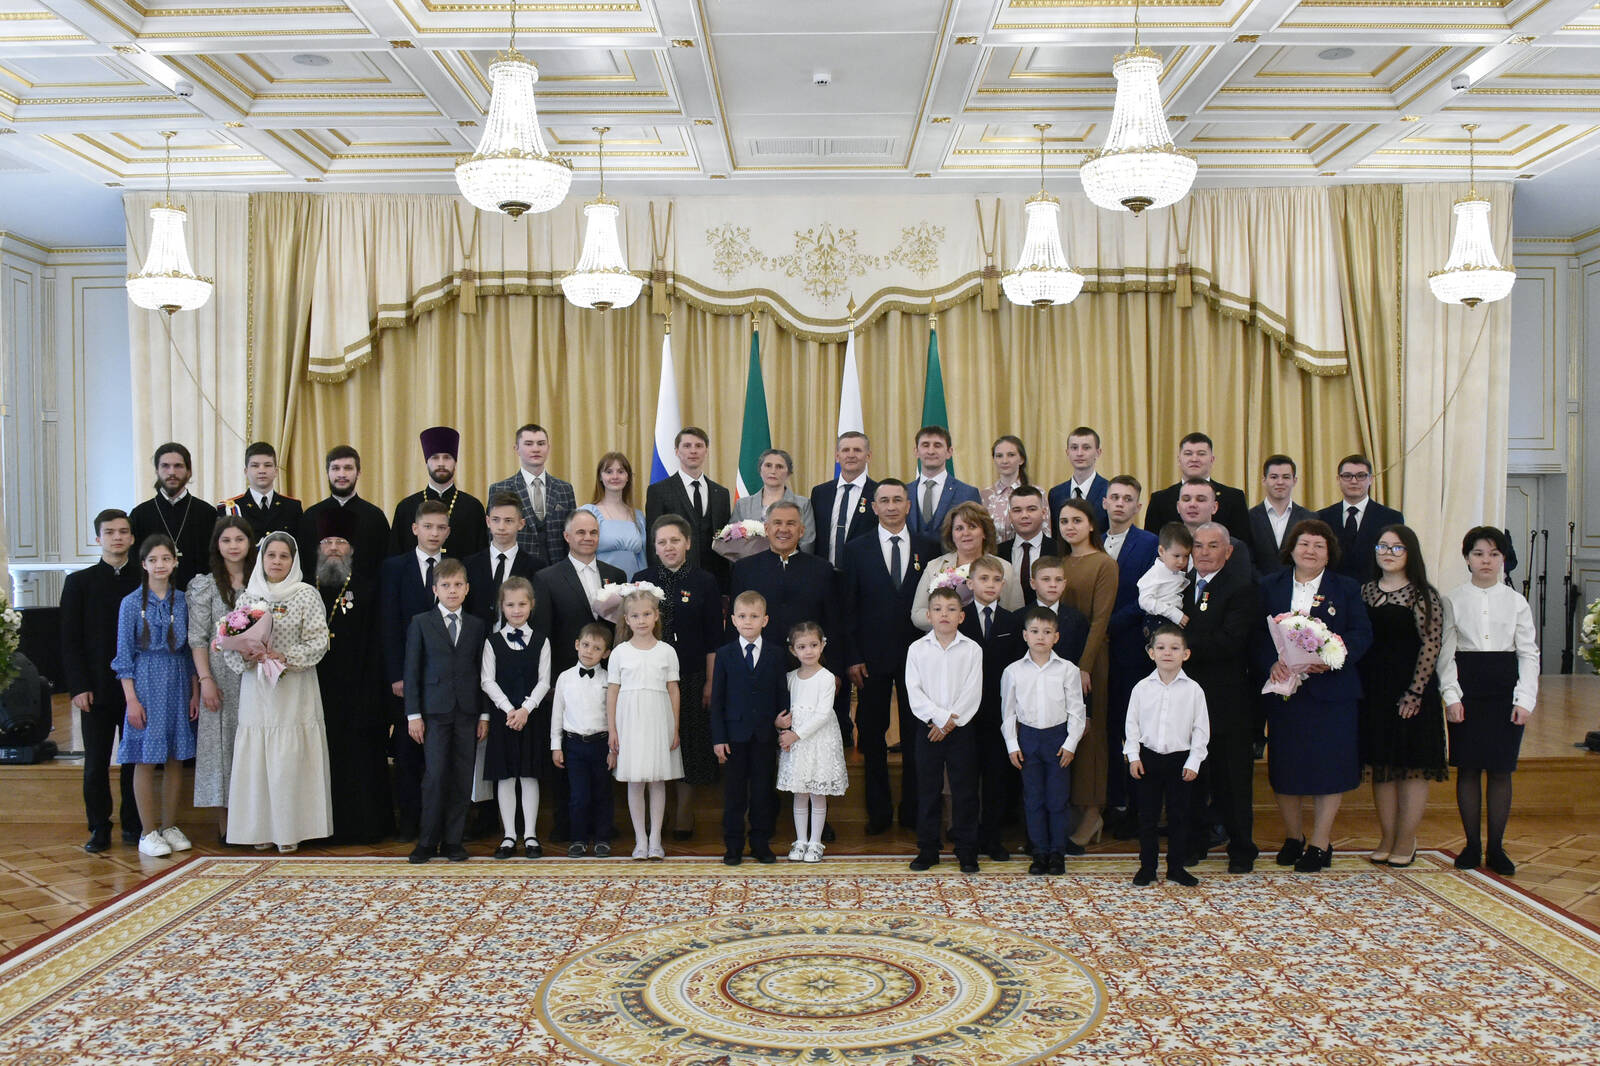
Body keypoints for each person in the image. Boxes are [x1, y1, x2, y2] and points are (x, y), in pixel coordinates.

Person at [1256, 519, 1374, 873]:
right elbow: (1254, 634)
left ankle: (1321, 842)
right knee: (1286, 766)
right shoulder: (1269, 585)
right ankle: (1294, 837)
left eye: (1319, 546)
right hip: (1285, 692)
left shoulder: (1346, 587)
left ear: (1329, 553)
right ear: (1291, 549)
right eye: (1304, 544)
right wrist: (1271, 662)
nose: (1310, 551)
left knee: (1329, 767)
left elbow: (1362, 633)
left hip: (1331, 693)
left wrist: (1332, 656)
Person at [224, 533, 334, 853]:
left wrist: (286, 657)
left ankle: (290, 830)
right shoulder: (248, 597)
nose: (276, 561)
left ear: (293, 560)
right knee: (258, 759)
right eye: (271, 555)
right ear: (261, 559)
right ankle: (259, 829)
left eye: (284, 556)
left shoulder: (306, 594)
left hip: (294, 689)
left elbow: (319, 641)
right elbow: (231, 646)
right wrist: (248, 654)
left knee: (289, 758)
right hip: (257, 690)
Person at [1438, 526, 1539, 877]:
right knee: (1468, 768)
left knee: (1500, 769)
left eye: (1494, 554)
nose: (1486, 561)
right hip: (1468, 686)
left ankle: (1496, 847)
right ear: (1467, 558)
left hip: (1504, 687)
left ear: (1504, 559)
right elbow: (1446, 654)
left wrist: (1525, 699)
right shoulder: (1452, 599)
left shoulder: (1516, 602)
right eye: (1479, 553)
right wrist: (1451, 695)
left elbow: (1528, 653)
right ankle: (1471, 845)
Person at [840, 479, 939, 835]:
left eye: (898, 499)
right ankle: (878, 812)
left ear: (908, 505)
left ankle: (913, 811)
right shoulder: (856, 549)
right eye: (885, 500)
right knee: (872, 734)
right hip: (870, 658)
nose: (892, 506)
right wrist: (852, 656)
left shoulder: (929, 547)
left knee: (916, 735)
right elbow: (848, 606)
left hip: (919, 657)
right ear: (875, 507)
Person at [534, 509, 627, 841]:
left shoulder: (616, 575)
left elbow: (622, 630)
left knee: (603, 756)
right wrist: (547, 681)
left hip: (607, 679)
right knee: (567, 758)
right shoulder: (547, 578)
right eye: (581, 532)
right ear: (567, 536)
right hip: (566, 678)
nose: (588, 538)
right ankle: (565, 824)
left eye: (593, 532)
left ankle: (603, 825)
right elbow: (543, 634)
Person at [1360, 524, 1446, 869]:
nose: (1388, 553)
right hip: (1374, 690)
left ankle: (1407, 839)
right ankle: (1387, 836)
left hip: (1411, 690)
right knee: (1382, 766)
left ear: (1410, 553)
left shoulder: (1422, 594)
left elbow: (1431, 645)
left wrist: (1415, 692)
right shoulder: (1366, 590)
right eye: (1382, 546)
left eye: (1397, 548)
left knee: (1411, 768)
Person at [634, 515, 722, 840]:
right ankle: (655, 812)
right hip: (649, 679)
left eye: (675, 540)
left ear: (687, 543)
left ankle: (684, 812)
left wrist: (711, 681)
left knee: (688, 742)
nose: (669, 547)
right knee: (653, 742)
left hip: (692, 676)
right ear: (654, 547)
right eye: (662, 542)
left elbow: (714, 638)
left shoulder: (705, 581)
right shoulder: (642, 581)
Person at [1179, 523, 1261, 873]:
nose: (1204, 552)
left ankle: (1242, 849)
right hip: (1185, 698)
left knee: (1232, 779)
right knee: (1192, 774)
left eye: (1213, 546)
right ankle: (1193, 844)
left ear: (1228, 552)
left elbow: (1230, 641)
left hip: (1228, 700)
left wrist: (1179, 646)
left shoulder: (1242, 589)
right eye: (1198, 545)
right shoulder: (1180, 586)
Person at [111, 535, 198, 858]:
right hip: (146, 682)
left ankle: (170, 825)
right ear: (144, 564)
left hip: (178, 680)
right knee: (146, 758)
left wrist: (194, 692)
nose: (160, 565)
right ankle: (148, 831)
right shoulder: (131, 603)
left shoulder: (183, 601)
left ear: (175, 562)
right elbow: (124, 655)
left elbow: (190, 651)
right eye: (153, 560)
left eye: (166, 559)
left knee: (176, 757)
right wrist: (131, 700)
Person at [61, 509, 142, 852]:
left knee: (134, 761)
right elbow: (69, 639)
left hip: (136, 688)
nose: (117, 537)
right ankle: (99, 826)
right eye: (110, 532)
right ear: (98, 538)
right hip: (95, 687)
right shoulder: (79, 582)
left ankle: (134, 824)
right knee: (95, 762)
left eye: (123, 531)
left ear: (132, 538)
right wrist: (78, 686)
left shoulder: (143, 578)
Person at [311, 507, 393, 844]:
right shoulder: (306, 588)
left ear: (352, 549)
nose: (333, 548)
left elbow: (378, 643)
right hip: (317, 689)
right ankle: (321, 828)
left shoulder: (368, 588)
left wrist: (373, 692)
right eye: (327, 542)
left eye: (340, 542)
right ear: (319, 548)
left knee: (361, 759)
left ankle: (367, 828)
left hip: (360, 689)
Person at [404, 558, 487, 863]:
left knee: (462, 777)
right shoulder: (421, 622)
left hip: (467, 711)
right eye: (446, 585)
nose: (452, 590)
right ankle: (427, 841)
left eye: (458, 585)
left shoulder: (477, 625)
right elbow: (412, 670)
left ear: (467, 589)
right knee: (436, 775)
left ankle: (453, 841)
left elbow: (483, 672)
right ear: (435, 589)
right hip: (434, 712)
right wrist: (413, 714)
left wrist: (484, 715)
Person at [380, 499, 453, 839]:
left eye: (440, 527)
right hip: (406, 678)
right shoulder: (394, 567)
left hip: (444, 679)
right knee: (408, 751)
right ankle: (410, 823)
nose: (434, 533)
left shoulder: (455, 569)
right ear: (415, 529)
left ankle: (440, 824)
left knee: (441, 753)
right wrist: (397, 675)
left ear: (448, 531)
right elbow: (388, 624)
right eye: (428, 527)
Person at [1001, 606, 1086, 875]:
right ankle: (1038, 852)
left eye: (1047, 632)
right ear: (1025, 635)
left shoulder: (1068, 670)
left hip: (1057, 739)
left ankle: (1057, 853)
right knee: (1033, 798)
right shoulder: (1013, 671)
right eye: (1035, 631)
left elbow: (1077, 711)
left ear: (1056, 637)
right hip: (1028, 738)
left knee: (1057, 799)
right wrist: (1012, 744)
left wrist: (1070, 744)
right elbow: (1008, 712)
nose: (1041, 637)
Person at [905, 586, 983, 874]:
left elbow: (972, 692)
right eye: (937, 609)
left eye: (951, 609)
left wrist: (949, 723)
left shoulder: (972, 649)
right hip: (928, 728)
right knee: (928, 789)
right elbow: (914, 691)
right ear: (928, 615)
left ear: (961, 616)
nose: (944, 614)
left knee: (965, 790)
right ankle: (928, 848)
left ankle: (966, 850)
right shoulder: (917, 649)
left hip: (960, 729)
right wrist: (938, 719)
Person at [187, 516, 256, 842]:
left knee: (253, 745)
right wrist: (205, 680)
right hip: (218, 676)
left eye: (239, 539)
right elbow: (197, 638)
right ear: (217, 544)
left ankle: (256, 820)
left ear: (250, 543)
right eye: (226, 540)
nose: (233, 546)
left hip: (256, 675)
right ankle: (226, 823)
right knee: (222, 747)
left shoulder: (261, 581)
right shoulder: (206, 585)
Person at [1056, 497, 1119, 848]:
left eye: (1077, 520)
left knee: (1091, 735)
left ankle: (1094, 812)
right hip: (1059, 661)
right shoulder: (1062, 562)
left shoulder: (1104, 564)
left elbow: (1100, 620)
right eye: (1064, 521)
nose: (1070, 527)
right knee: (1066, 734)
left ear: (1092, 524)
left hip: (1090, 662)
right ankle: (1073, 812)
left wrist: (1084, 665)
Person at [1125, 624, 1210, 887]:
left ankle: (1176, 867)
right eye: (1161, 648)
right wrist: (1133, 756)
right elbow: (1131, 725)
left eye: (1174, 648)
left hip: (1180, 760)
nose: (1167, 653)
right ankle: (1147, 867)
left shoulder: (1194, 690)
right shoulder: (1141, 688)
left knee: (1179, 816)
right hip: (1148, 759)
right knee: (1147, 817)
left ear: (1186, 654)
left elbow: (1201, 729)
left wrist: (1194, 761)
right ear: (1151, 653)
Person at [709, 590, 785, 866]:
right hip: (734, 736)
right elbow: (717, 700)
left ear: (765, 620)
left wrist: (782, 727)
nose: (748, 621)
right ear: (732, 620)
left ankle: (761, 843)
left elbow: (781, 694)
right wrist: (719, 738)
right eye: (742, 616)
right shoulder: (724, 654)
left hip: (765, 735)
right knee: (735, 794)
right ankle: (733, 845)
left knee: (763, 792)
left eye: (754, 616)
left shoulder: (776, 654)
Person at [1101, 475, 1158, 836]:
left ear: (1137, 506)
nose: (1120, 503)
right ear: (1104, 502)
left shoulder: (1150, 544)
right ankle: (1111, 802)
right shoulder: (1091, 539)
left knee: (1133, 729)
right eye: (1115, 497)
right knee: (1104, 730)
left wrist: (1108, 625)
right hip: (1096, 652)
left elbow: (1147, 597)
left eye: (1127, 499)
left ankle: (1139, 809)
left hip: (1130, 648)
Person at [607, 588, 683, 861]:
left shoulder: (667, 651)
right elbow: (613, 691)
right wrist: (612, 729)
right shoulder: (620, 652)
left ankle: (655, 840)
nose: (641, 620)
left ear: (656, 616)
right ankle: (640, 839)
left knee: (657, 779)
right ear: (627, 620)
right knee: (636, 780)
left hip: (658, 718)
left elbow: (673, 690)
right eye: (636, 616)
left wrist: (674, 727)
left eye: (647, 614)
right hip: (629, 720)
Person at [480, 576, 552, 860]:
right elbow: (487, 680)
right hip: (504, 718)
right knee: (506, 776)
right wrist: (509, 709)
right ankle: (509, 834)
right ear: (502, 606)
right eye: (510, 605)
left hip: (531, 717)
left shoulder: (542, 641)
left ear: (531, 605)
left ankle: (530, 834)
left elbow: (545, 681)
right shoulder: (492, 642)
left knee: (529, 775)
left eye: (522, 604)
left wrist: (525, 709)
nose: (516, 610)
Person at [959, 555, 1024, 861]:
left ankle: (993, 838)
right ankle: (968, 840)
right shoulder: (960, 619)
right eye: (983, 579)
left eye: (996, 580)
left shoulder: (1012, 622)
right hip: (966, 714)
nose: (990, 585)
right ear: (970, 583)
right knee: (967, 780)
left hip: (1000, 713)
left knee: (997, 779)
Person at [777, 621, 847, 863]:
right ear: (793, 650)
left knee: (817, 792)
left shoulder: (826, 678)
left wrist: (796, 735)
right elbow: (783, 710)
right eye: (802, 646)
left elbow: (822, 714)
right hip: (797, 743)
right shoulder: (790, 678)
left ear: (822, 645)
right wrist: (780, 725)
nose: (808, 651)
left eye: (813, 645)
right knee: (800, 792)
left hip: (818, 740)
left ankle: (816, 842)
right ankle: (800, 841)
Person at [729, 500, 838, 651]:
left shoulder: (822, 570)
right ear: (767, 529)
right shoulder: (744, 569)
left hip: (808, 660)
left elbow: (833, 623)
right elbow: (734, 625)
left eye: (791, 523)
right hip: (760, 659)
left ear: (801, 531)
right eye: (777, 523)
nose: (784, 529)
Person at [551, 623, 615, 857]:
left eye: (597, 648)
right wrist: (556, 746)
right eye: (586, 645)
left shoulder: (609, 680)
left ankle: (602, 839)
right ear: (577, 644)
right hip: (574, 746)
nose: (589, 651)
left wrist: (613, 750)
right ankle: (578, 839)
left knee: (602, 794)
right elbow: (557, 713)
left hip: (601, 745)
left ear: (606, 653)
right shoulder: (565, 678)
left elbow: (614, 716)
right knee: (578, 796)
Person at [645, 426, 733, 591]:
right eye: (687, 446)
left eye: (699, 446)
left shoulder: (721, 493)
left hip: (714, 582)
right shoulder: (659, 491)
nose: (693, 451)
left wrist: (725, 588)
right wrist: (661, 583)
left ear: (706, 451)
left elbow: (725, 541)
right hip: (673, 581)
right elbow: (653, 541)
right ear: (677, 451)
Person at [911, 501, 1023, 629]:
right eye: (959, 528)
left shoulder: (1005, 568)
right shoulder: (934, 567)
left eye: (972, 527)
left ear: (984, 532)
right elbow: (917, 614)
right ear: (952, 534)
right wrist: (948, 617)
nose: (966, 533)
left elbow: (1017, 613)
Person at [486, 423, 576, 571]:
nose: (536, 449)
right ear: (516, 449)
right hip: (516, 569)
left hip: (557, 569)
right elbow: (492, 536)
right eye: (528, 444)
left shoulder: (564, 489)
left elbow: (572, 534)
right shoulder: (499, 489)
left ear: (548, 448)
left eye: (541, 443)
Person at [391, 425, 488, 559]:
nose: (441, 463)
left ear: (455, 462)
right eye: (435, 458)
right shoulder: (406, 508)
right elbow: (395, 559)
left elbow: (482, 559)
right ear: (427, 462)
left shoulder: (473, 507)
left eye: (447, 457)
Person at [299, 445, 390, 582]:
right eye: (335, 468)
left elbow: (384, 565)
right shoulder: (311, 516)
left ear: (358, 473)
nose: (341, 474)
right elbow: (304, 564)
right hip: (317, 593)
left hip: (366, 594)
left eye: (348, 468)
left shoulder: (375, 517)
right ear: (327, 472)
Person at [130, 443, 215, 588]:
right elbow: (134, 562)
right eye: (165, 466)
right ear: (157, 471)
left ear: (189, 472)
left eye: (178, 466)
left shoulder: (207, 513)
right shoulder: (140, 514)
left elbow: (214, 562)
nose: (171, 472)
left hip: (199, 596)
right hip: (152, 595)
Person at [1144, 432, 1250, 539]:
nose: (1194, 459)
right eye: (1188, 454)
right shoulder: (1160, 499)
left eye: (1201, 454)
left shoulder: (1233, 497)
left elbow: (1242, 542)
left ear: (1212, 459)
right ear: (1179, 459)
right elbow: (1151, 543)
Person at [1317, 454, 1405, 581]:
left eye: (1361, 475)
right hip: (1332, 588)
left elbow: (1397, 559)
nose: (1354, 481)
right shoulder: (1321, 517)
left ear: (1371, 479)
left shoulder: (1391, 518)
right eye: (1347, 476)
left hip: (1375, 589)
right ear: (1338, 479)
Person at [464, 493, 540, 627]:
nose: (501, 527)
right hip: (477, 638)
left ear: (521, 524)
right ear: (488, 522)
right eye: (496, 520)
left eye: (508, 521)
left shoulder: (537, 568)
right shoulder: (468, 565)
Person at [809, 431, 876, 567]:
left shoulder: (878, 493)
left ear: (868, 456)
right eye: (845, 450)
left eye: (857, 450)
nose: (851, 455)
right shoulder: (820, 492)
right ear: (837, 456)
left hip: (863, 572)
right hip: (824, 571)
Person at [731, 448, 816, 552]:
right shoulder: (742, 505)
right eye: (768, 465)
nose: (773, 471)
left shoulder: (803, 504)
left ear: (788, 473)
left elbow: (807, 542)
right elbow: (732, 539)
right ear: (760, 470)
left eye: (779, 467)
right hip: (749, 561)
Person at [906, 425, 981, 542]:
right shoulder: (904, 493)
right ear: (916, 451)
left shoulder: (968, 493)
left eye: (937, 445)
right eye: (925, 445)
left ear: (949, 452)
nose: (931, 451)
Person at [580, 451, 648, 576]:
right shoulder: (588, 513)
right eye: (609, 472)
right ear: (600, 477)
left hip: (633, 583)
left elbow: (643, 559)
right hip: (599, 582)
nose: (615, 476)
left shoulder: (638, 517)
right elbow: (580, 553)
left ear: (628, 477)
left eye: (621, 471)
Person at [219, 441, 302, 544]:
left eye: (267, 465)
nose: (262, 470)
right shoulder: (231, 508)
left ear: (276, 471)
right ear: (246, 471)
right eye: (255, 465)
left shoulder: (292, 507)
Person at [1247, 454, 1312, 577]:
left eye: (1286, 477)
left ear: (1294, 481)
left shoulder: (1309, 518)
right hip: (1257, 586)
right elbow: (1246, 560)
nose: (1280, 482)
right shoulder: (1248, 518)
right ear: (1264, 481)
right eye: (1274, 477)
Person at [1174, 479, 1255, 574]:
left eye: (1200, 499)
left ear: (1214, 507)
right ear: (1178, 507)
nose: (1192, 504)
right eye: (1186, 499)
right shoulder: (1164, 544)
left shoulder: (1233, 547)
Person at [998, 485, 1058, 606]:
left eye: (1031, 509)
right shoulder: (997, 552)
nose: (1024, 515)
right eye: (1017, 510)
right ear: (1010, 516)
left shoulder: (1059, 549)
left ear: (1043, 513)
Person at [1047, 426, 1109, 533]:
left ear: (1098, 452)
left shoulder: (1109, 491)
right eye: (1074, 448)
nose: (1079, 453)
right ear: (1067, 452)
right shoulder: (1055, 494)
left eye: (1086, 448)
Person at [1029, 558, 1090, 664]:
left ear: (1064, 584)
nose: (1053, 585)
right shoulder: (1018, 618)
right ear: (1033, 583)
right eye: (1046, 579)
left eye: (1058, 579)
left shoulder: (1078, 619)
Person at [1138, 523, 1192, 630]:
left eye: (1186, 556)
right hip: (1158, 621)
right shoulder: (1155, 574)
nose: (1181, 561)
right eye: (1176, 556)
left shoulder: (1174, 571)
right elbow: (1144, 601)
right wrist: (1172, 613)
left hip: (1172, 619)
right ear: (1161, 551)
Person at [981, 435, 1031, 543]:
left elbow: (1046, 535)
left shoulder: (1036, 493)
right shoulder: (985, 496)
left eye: (1011, 455)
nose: (1004, 461)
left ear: (1021, 459)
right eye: (999, 456)